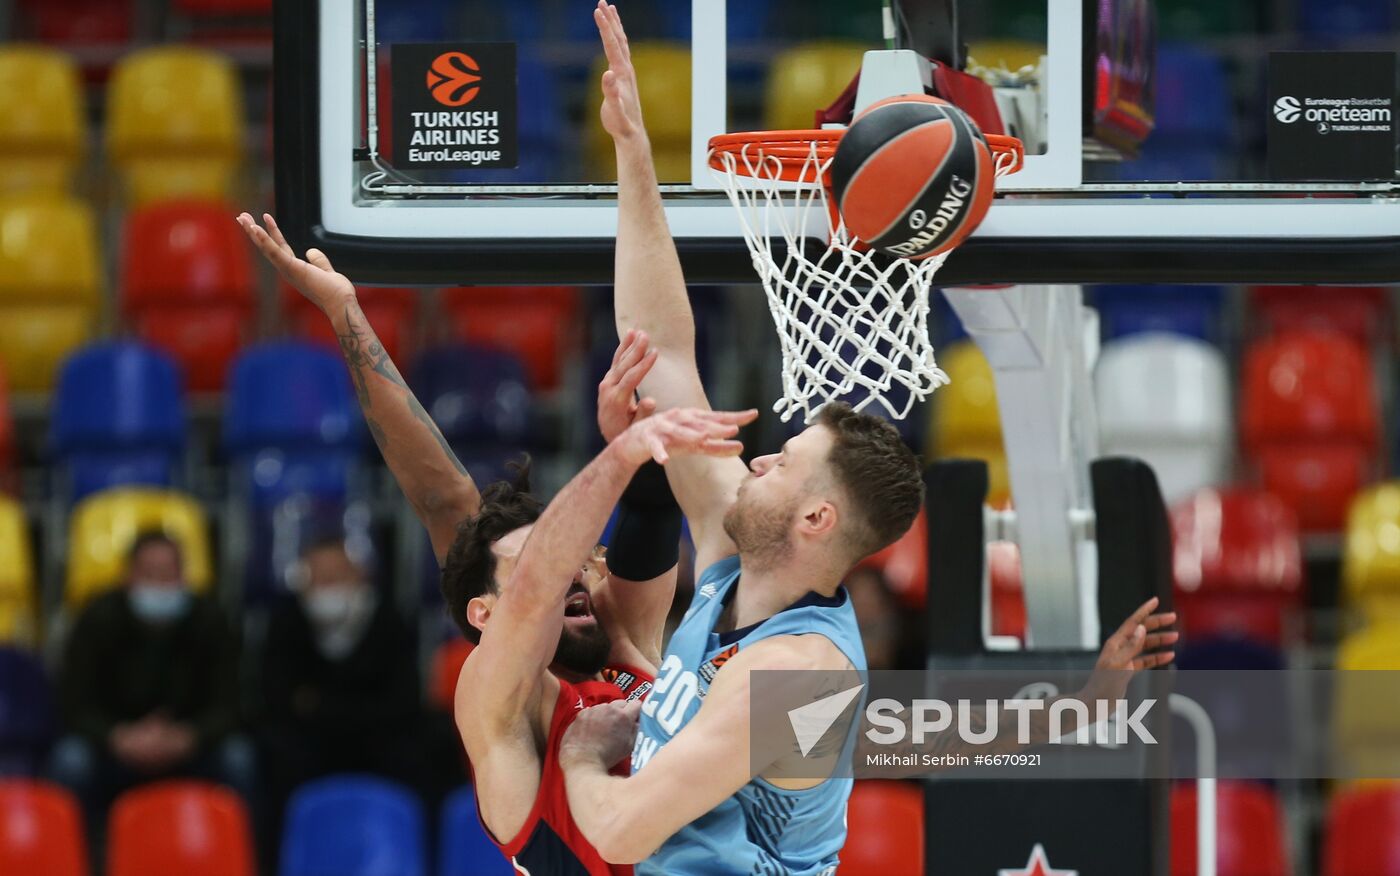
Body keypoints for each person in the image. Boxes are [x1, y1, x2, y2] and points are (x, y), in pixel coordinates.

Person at [554, 6, 1178, 874]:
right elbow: (660, 354)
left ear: (814, 519)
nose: (757, 458)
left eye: (781, 462)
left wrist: (582, 754)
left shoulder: (795, 679)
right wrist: (632, 153)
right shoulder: (756, 567)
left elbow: (618, 832)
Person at [235, 210, 722, 875]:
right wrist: (618, 457)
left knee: (824, 704)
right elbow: (523, 578)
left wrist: (637, 445)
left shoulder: (624, 639)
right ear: (484, 615)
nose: (572, 574)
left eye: (579, 561)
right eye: (537, 570)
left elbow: (645, 518)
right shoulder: (503, 704)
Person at [255, 536, 459, 850]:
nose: (328, 587)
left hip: (379, 740)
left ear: (359, 576)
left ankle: (420, 853)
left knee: (428, 750)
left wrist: (319, 704)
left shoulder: (389, 619)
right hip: (310, 742)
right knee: (271, 753)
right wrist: (355, 708)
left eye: (336, 577)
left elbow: (403, 702)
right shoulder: (287, 620)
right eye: (319, 579)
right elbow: (277, 696)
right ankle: (282, 857)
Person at [52, 531, 251, 835]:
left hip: (189, 745)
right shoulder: (97, 618)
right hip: (115, 745)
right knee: (71, 759)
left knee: (238, 757)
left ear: (183, 576)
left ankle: (242, 855)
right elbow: (74, 703)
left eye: (167, 574)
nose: (159, 584)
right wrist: (118, 736)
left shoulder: (212, 619)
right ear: (128, 576)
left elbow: (231, 703)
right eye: (149, 573)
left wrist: (189, 736)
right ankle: (74, 859)